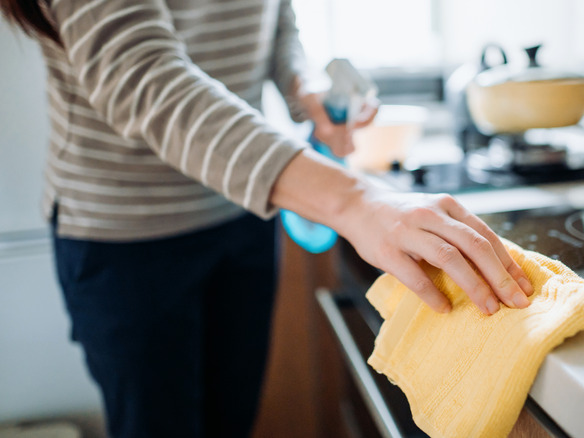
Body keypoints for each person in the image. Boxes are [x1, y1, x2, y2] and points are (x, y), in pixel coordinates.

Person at [1, 1, 535, 437]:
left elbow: (275, 20)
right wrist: (354, 201)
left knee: (232, 420)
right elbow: (141, 76)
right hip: (126, 234)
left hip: (241, 212)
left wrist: (305, 90)